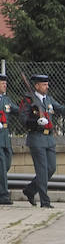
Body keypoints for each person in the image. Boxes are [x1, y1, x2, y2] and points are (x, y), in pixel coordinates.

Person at [20, 74, 65, 209]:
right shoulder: (29, 100)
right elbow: (23, 119)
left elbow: (59, 108)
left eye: (47, 84)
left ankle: (30, 190)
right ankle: (45, 202)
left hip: (49, 139)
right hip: (36, 138)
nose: (47, 87)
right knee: (42, 171)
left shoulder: (48, 100)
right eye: (44, 85)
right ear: (37, 86)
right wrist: (36, 122)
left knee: (51, 168)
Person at [0, 73, 15, 205]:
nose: (5, 85)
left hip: (5, 138)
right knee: (2, 165)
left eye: (5, 83)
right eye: (2, 83)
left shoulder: (6, 100)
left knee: (7, 163)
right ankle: (4, 196)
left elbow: (16, 110)